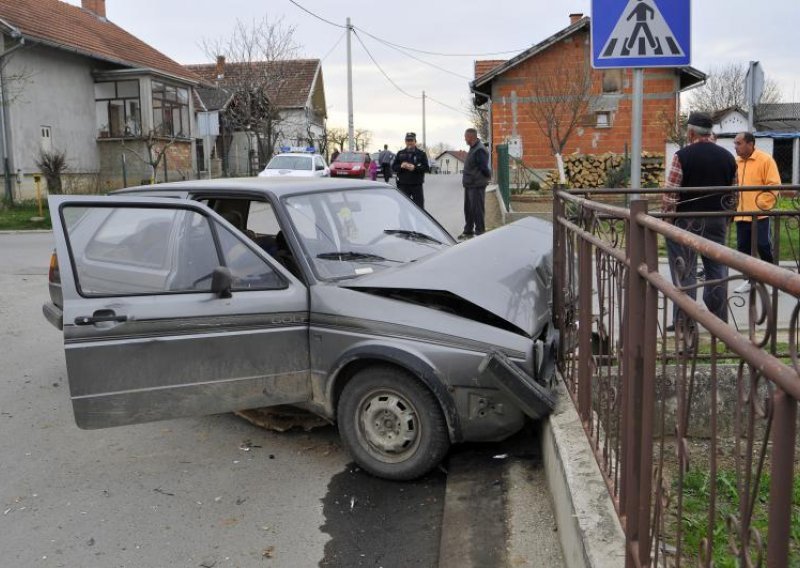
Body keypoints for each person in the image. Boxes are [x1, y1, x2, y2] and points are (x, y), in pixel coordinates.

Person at [662, 111, 737, 330]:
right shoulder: (728, 157)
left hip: (686, 221)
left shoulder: (682, 155)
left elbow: (671, 194)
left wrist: (667, 221)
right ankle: (719, 323)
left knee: (684, 271)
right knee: (717, 269)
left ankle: (684, 324)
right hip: (716, 221)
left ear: (691, 132)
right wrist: (727, 219)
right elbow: (734, 194)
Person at [732, 131, 780, 293]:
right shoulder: (735, 162)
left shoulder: (765, 159)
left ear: (750, 144)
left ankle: (775, 279)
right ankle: (749, 280)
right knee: (743, 249)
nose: (735, 146)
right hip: (741, 214)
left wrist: (761, 205)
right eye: (735, 143)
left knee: (763, 245)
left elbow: (774, 185)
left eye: (738, 143)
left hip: (760, 215)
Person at [459, 128, 492, 240]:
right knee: (468, 209)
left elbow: (483, 167)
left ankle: (480, 232)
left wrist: (488, 177)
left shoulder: (479, 150)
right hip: (470, 185)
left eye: (466, 137)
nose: (464, 139)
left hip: (476, 185)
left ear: (470, 137)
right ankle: (468, 231)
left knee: (477, 209)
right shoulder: (473, 148)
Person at [392, 132, 430, 209]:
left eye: (411, 140)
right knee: (403, 207)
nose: (409, 142)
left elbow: (426, 168)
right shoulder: (400, 153)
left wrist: (414, 168)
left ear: (415, 141)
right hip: (403, 185)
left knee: (419, 209)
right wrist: (401, 166)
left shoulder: (421, 154)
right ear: (405, 141)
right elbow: (393, 167)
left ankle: (418, 221)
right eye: (407, 140)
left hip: (416, 185)